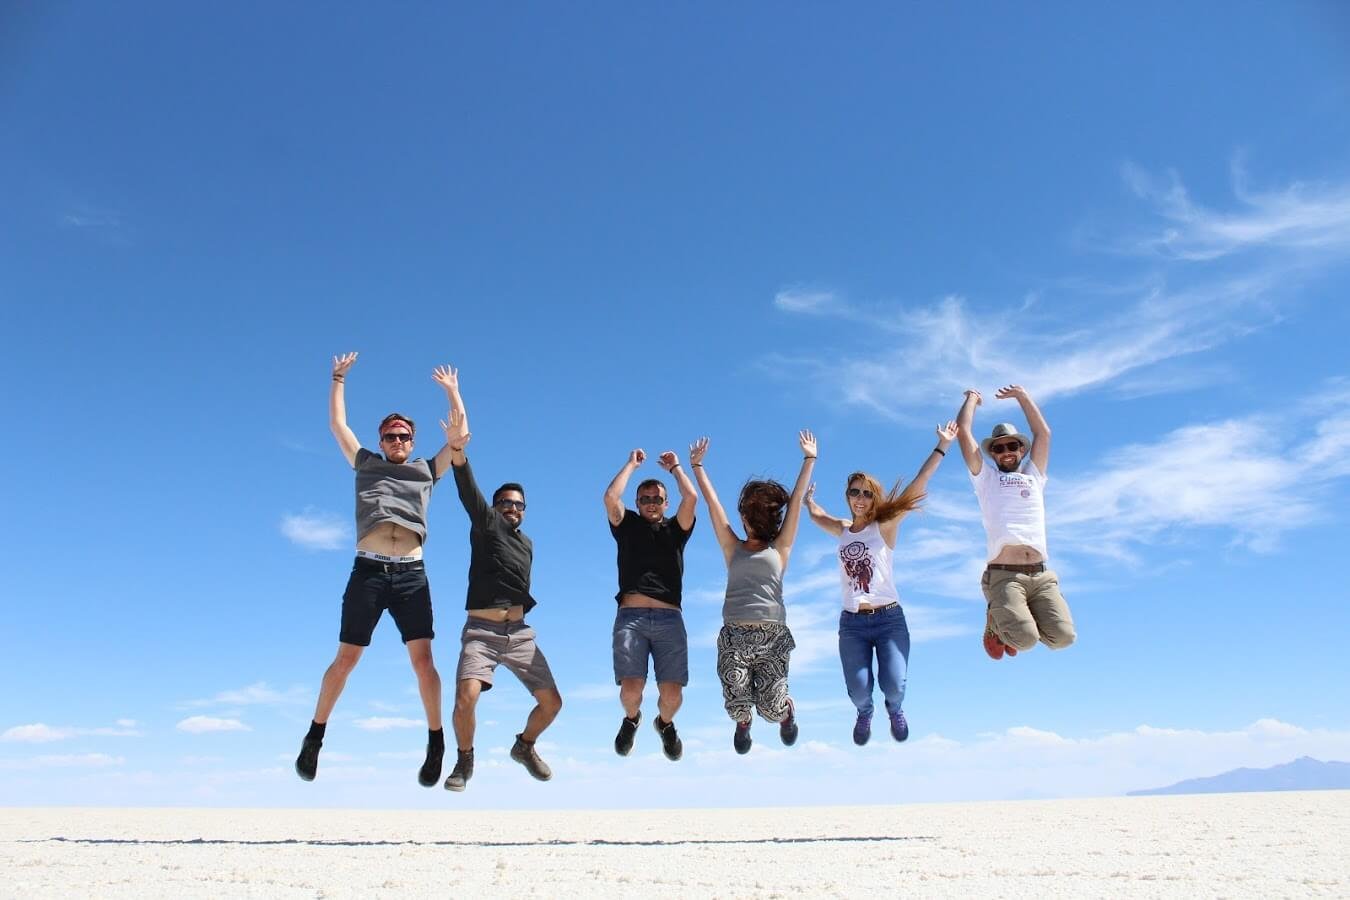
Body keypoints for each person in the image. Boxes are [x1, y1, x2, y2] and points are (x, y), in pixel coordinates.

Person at [295, 353, 458, 787]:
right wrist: (337, 378)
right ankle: (315, 736)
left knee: (423, 661)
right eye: (390, 436)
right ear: (381, 440)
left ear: (412, 438)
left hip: (411, 575)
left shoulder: (425, 470)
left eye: (403, 435)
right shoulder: (366, 463)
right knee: (346, 659)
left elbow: (461, 439)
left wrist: (452, 392)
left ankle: (436, 740)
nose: (397, 441)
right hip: (368, 572)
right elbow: (337, 426)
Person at [438, 376, 563, 792]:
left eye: (518, 504)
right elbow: (464, 480)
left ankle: (525, 746)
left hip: (520, 633)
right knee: (466, 696)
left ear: (524, 511)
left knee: (552, 703)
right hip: (482, 631)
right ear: (494, 507)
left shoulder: (527, 543)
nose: (512, 508)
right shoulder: (485, 522)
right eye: (505, 502)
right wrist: (457, 442)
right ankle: (465, 760)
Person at [805, 421, 957, 746]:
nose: (859, 497)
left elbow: (918, 485)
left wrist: (942, 446)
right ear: (847, 496)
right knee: (859, 689)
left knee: (895, 684)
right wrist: (808, 502)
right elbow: (818, 517)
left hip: (889, 620)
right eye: (853, 492)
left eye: (866, 492)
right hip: (852, 624)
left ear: (875, 498)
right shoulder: (844, 529)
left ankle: (895, 709)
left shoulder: (885, 526)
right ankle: (865, 713)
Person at [689, 431, 816, 754]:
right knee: (737, 706)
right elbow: (713, 505)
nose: (743, 519)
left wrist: (809, 459)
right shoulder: (732, 547)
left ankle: (786, 712)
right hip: (734, 636)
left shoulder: (781, 547)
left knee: (771, 710)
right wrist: (698, 467)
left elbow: (797, 502)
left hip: (773, 636)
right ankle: (743, 724)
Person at [955, 385, 1076, 659]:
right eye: (999, 448)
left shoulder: (1034, 476)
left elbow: (1043, 434)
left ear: (1022, 449)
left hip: (1041, 575)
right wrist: (971, 399)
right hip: (1004, 575)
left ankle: (1020, 613)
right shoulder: (986, 480)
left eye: (1012, 445)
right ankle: (997, 622)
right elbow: (964, 434)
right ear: (993, 454)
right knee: (1026, 640)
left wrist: (1022, 396)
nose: (1006, 451)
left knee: (1064, 638)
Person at [603, 449, 697, 761]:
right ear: (638, 503)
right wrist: (631, 464)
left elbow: (692, 498)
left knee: (671, 695)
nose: (652, 503)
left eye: (657, 499)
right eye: (645, 499)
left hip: (670, 619)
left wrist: (676, 468)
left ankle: (666, 725)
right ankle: (631, 720)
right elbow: (610, 497)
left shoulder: (676, 529)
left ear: (665, 503)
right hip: (631, 617)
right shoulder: (627, 525)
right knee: (631, 692)